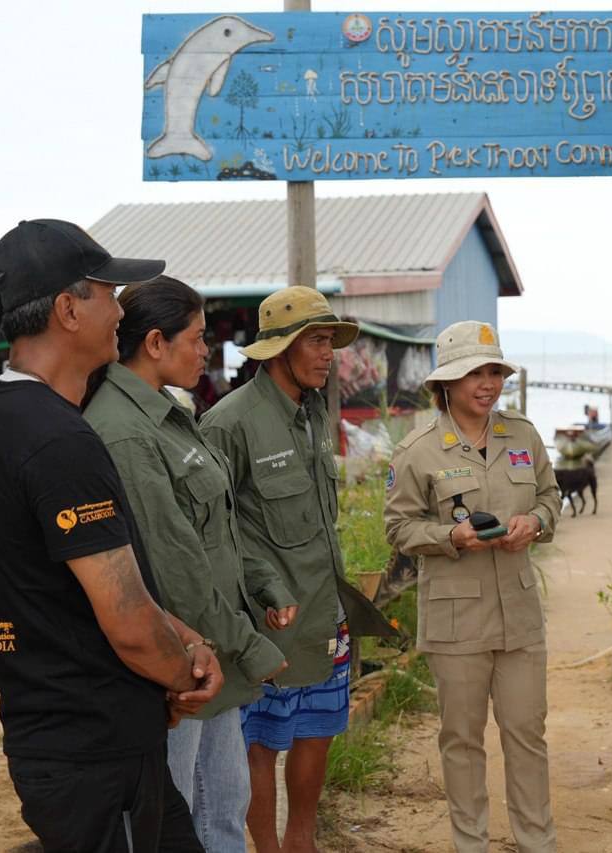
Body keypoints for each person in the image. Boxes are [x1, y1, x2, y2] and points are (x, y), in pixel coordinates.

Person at [0, 219, 222, 852]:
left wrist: (183, 640)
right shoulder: (59, 439)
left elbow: (84, 584)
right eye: (108, 292)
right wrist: (182, 674)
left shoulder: (6, 416)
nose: (120, 310)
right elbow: (128, 621)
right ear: (67, 309)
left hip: (73, 734)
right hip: (93, 751)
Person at [83, 277, 295, 853]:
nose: (207, 352)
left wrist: (262, 589)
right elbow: (174, 568)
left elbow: (218, 532)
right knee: (177, 819)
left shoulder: (169, 417)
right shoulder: (126, 432)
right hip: (176, 666)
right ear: (155, 342)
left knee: (224, 810)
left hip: (212, 655)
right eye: (199, 339)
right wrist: (251, 648)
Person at [201, 286, 392, 853]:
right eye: (315, 340)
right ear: (280, 348)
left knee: (319, 732)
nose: (327, 353)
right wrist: (262, 587)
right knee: (260, 742)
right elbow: (218, 528)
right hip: (267, 622)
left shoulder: (312, 414)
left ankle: (299, 843)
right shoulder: (228, 423)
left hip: (324, 611)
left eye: (330, 340)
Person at [384, 320, 562, 853]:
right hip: (455, 621)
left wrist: (537, 522)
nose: (487, 384)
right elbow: (398, 528)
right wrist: (451, 536)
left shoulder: (523, 436)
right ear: (446, 384)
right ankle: (471, 845)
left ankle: (538, 844)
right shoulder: (418, 450)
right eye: (473, 374)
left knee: (527, 736)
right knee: (461, 741)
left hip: (520, 618)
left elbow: (551, 499)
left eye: (494, 372)